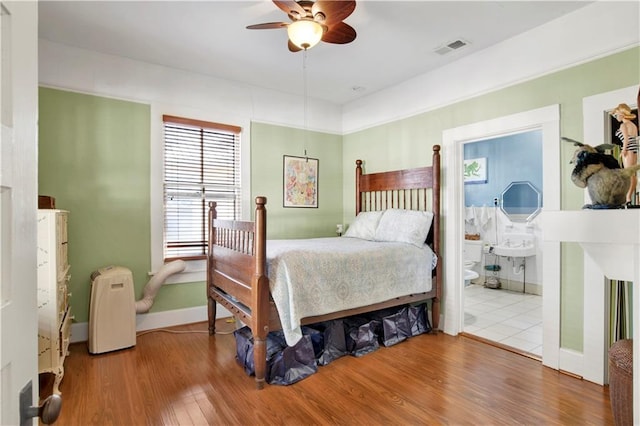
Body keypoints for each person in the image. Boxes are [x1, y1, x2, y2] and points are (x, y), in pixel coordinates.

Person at [611, 103, 639, 204]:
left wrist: (623, 150)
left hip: (628, 150)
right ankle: (628, 197)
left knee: (628, 175)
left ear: (622, 114)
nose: (616, 117)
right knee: (632, 174)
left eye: (616, 115)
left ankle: (627, 198)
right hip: (634, 150)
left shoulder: (624, 125)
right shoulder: (633, 125)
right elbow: (635, 139)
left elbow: (626, 139)